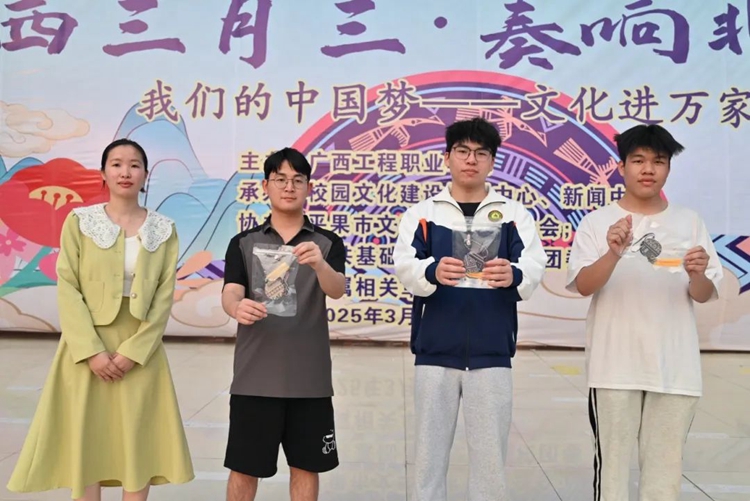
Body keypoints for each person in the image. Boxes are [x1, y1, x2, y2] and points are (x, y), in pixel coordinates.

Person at [7, 138, 194, 500]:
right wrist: (91, 351)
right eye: (117, 164)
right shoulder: (80, 222)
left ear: (146, 175)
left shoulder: (164, 229)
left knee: (138, 440)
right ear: (103, 174)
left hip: (140, 350)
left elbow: (163, 296)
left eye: (135, 165)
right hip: (85, 348)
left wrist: (134, 352)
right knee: (87, 439)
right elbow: (68, 286)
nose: (126, 172)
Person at [393, 117, 547, 501]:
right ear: (447, 157)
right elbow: (405, 266)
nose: (471, 160)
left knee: (490, 459)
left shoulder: (513, 214)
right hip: (434, 352)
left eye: (481, 153)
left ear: (492, 161)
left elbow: (534, 266)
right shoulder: (423, 213)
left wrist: (512, 274)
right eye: (462, 151)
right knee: (428, 457)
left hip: (492, 352)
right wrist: (431, 271)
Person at [566, 124, 723, 501]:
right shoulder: (597, 222)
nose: (648, 169)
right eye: (638, 160)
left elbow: (703, 294)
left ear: (668, 168)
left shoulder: (690, 222)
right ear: (621, 167)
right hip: (614, 367)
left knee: (663, 478)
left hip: (676, 369)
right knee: (613, 475)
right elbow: (584, 285)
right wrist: (613, 252)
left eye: (658, 161)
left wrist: (698, 274)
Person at [221, 147, 346, 501]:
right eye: (280, 180)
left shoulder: (326, 243)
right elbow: (230, 292)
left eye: (297, 180)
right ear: (265, 186)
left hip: (310, 380)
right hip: (254, 378)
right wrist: (237, 307)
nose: (289, 187)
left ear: (309, 187)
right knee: (244, 468)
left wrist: (320, 265)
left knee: (306, 467)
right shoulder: (244, 243)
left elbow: (337, 290)